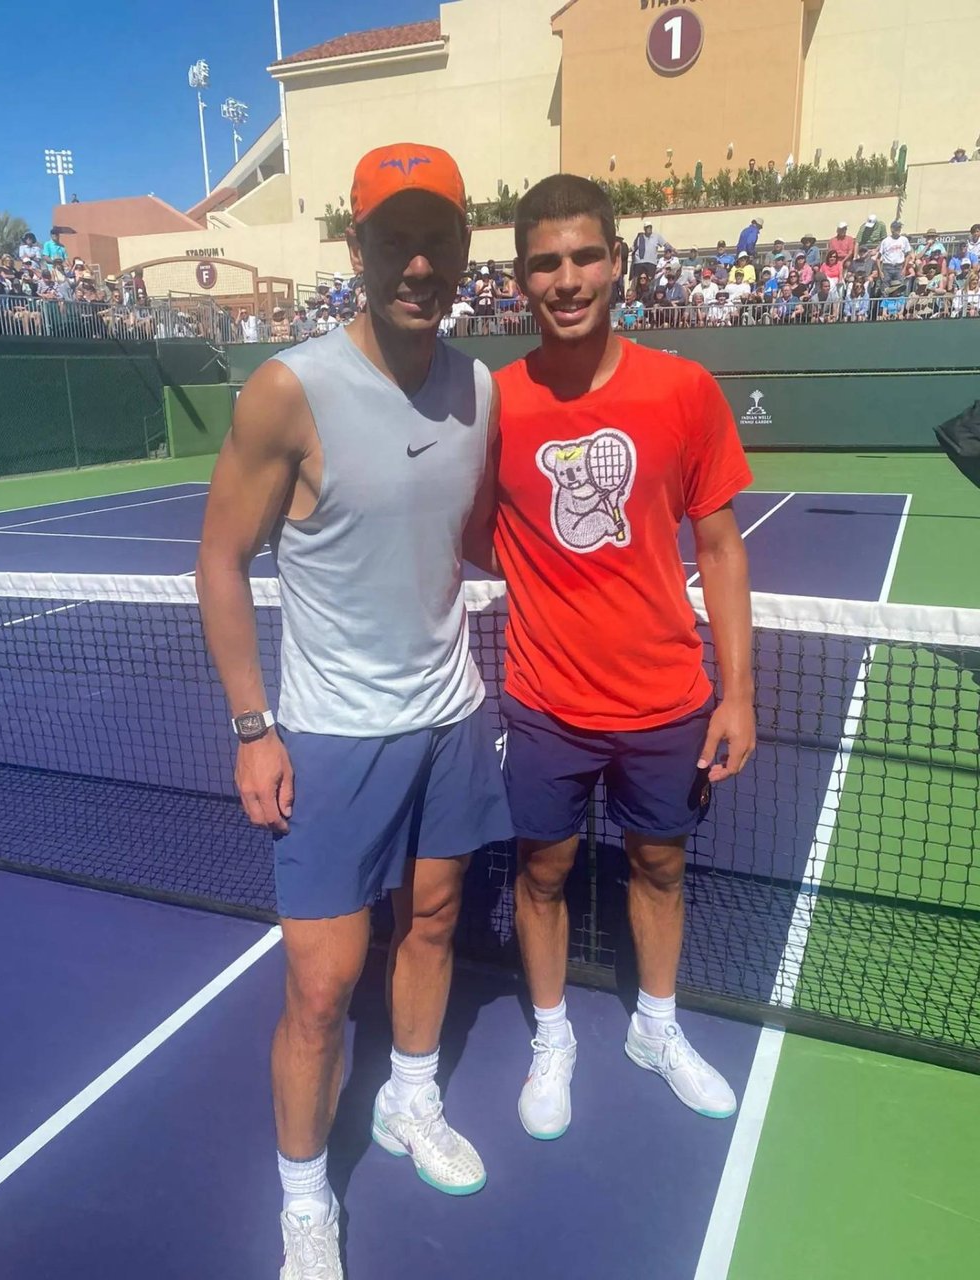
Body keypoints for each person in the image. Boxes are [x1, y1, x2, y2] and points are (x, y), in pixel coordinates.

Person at [196, 142, 512, 1280]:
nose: (418, 262)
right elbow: (221, 559)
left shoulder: (479, 387)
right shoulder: (292, 386)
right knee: (323, 989)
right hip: (330, 737)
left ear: (464, 250)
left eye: (438, 239)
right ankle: (302, 1203)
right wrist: (251, 723)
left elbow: (463, 534)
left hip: (450, 718)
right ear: (357, 248)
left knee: (431, 926)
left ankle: (410, 1100)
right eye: (395, 238)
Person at [482, 174, 755, 1143]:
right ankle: (552, 1036)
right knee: (543, 870)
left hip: (666, 700)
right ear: (520, 279)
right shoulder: (496, 404)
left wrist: (738, 694)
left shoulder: (683, 390)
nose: (567, 278)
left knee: (658, 864)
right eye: (546, 262)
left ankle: (655, 1026)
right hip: (545, 703)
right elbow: (474, 536)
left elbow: (719, 547)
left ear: (617, 264)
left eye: (584, 256)